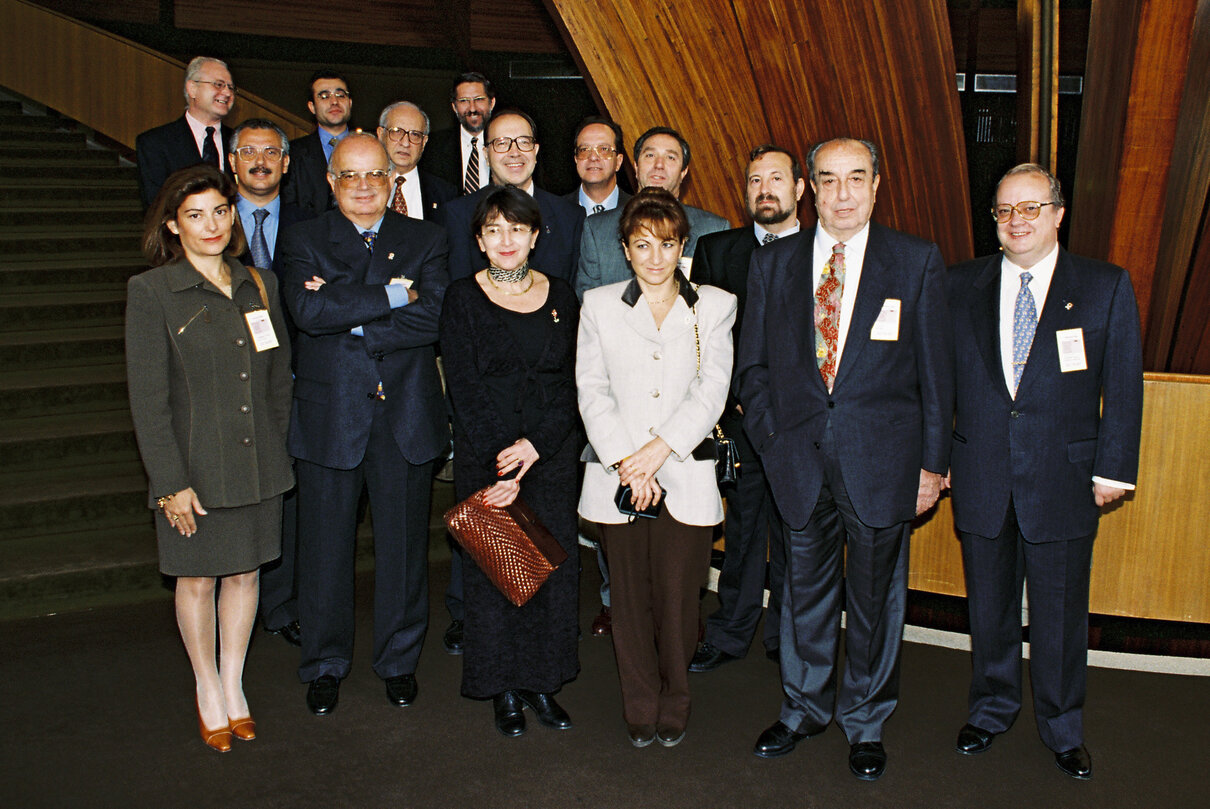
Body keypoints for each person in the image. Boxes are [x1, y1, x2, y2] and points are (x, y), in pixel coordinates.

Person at [737, 137, 954, 781]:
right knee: (801, 592)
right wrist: (773, 444)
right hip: (797, 463)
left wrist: (932, 466)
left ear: (877, 185)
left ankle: (865, 719)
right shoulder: (774, 265)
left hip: (885, 465)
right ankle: (802, 707)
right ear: (811, 187)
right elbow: (753, 368)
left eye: (855, 178)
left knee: (874, 598)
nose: (842, 193)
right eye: (828, 180)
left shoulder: (914, 261)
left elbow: (937, 377)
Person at [946, 163, 1143, 781]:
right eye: (1005, 210)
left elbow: (1124, 388)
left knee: (1059, 613)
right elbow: (938, 385)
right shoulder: (959, 284)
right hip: (979, 472)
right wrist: (935, 461)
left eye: (1030, 208)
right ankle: (992, 707)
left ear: (1058, 214)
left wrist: (1115, 467)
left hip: (1064, 476)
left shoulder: (1104, 285)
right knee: (991, 607)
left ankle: (1062, 726)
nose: (1016, 221)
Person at [278, 133, 450, 716]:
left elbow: (433, 318)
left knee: (404, 552)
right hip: (332, 417)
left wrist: (348, 308)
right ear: (330, 182)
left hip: (404, 416)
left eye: (375, 175)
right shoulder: (301, 237)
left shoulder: (426, 237)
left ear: (393, 180)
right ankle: (325, 663)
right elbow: (307, 313)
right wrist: (393, 293)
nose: (363, 187)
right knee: (324, 552)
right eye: (349, 176)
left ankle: (398, 662)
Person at [125, 164, 294, 752]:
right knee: (196, 580)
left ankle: (233, 681)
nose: (212, 224)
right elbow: (148, 400)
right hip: (194, 468)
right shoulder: (151, 293)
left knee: (246, 573)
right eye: (195, 215)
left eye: (221, 210)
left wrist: (275, 451)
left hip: (258, 463)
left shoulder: (260, 283)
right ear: (173, 225)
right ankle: (205, 686)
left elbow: (278, 381)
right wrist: (169, 482)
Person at [577, 188, 736, 748]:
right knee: (627, 599)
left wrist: (658, 451)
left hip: (684, 472)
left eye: (665, 244)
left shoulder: (714, 305)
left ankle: (676, 697)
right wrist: (628, 461)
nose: (654, 256)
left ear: (682, 246)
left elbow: (712, 391)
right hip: (618, 476)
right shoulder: (597, 306)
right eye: (641, 244)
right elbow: (591, 390)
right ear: (624, 248)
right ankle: (639, 701)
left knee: (676, 597)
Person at [439, 186, 581, 737]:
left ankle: (543, 684)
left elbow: (577, 382)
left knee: (551, 575)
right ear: (478, 239)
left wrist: (536, 448)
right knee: (496, 577)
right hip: (487, 459)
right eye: (493, 229)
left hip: (551, 456)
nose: (506, 240)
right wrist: (506, 464)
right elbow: (465, 390)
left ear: (535, 236)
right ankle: (502, 689)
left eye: (517, 229)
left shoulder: (564, 297)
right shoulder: (461, 298)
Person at [688, 144, 805, 672]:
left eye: (776, 179)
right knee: (741, 533)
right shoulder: (717, 251)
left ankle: (788, 636)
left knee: (797, 537)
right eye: (755, 180)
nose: (765, 189)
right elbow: (703, 337)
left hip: (805, 425)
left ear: (799, 188)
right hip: (738, 417)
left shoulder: (826, 253)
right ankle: (730, 631)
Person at [228, 118, 313, 647]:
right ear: (232, 162)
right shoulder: (207, 222)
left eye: (271, 152)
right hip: (228, 384)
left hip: (298, 381)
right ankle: (229, 591)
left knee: (288, 496)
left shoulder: (313, 223)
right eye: (248, 151)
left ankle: (278, 602)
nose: (260, 160)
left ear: (286, 163)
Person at [574, 126, 728, 298]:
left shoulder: (713, 229)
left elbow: (717, 300)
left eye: (670, 157)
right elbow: (587, 300)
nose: (659, 165)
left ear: (684, 171)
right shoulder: (597, 229)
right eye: (650, 155)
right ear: (636, 167)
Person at [437, 109, 584, 283]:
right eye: (501, 143)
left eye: (524, 142)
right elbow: (458, 290)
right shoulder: (459, 214)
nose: (514, 152)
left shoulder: (569, 216)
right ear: (486, 155)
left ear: (535, 151)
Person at [135, 57, 235, 208]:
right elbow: (156, 206)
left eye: (231, 87)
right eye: (219, 85)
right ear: (192, 89)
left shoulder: (239, 141)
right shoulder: (155, 143)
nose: (227, 92)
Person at [282, 70, 354, 216]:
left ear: (350, 102)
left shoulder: (370, 148)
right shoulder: (293, 153)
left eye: (340, 95)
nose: (334, 102)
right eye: (324, 96)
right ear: (312, 107)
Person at [376, 101, 458, 221]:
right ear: (381, 134)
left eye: (415, 134)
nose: (405, 143)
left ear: (424, 142)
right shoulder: (363, 186)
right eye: (397, 131)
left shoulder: (445, 194)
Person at [421, 71, 496, 193]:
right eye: (464, 101)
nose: (472, 108)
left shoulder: (507, 144)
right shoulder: (433, 147)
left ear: (491, 103)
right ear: (454, 107)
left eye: (479, 99)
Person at [564, 116, 631, 216]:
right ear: (576, 159)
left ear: (618, 161)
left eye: (604, 149)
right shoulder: (556, 211)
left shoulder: (638, 210)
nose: (593, 157)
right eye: (584, 149)